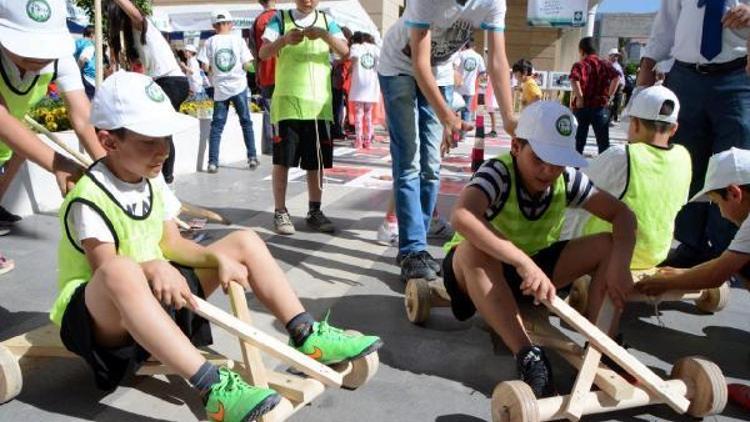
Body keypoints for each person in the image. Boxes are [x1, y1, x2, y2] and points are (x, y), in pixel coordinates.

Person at [53, 71, 383, 422]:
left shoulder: (151, 180)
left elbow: (172, 242)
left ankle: (305, 334)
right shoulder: (88, 198)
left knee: (243, 240)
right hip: (101, 322)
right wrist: (152, 267)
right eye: (149, 140)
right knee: (121, 270)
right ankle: (213, 388)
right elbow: (107, 270)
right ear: (109, 142)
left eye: (164, 137)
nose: (163, 150)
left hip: (155, 295)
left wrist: (214, 258)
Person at [443, 101, 636, 398]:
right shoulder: (498, 172)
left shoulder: (567, 178)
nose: (548, 171)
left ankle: (602, 349)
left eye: (558, 161)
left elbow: (623, 215)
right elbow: (462, 216)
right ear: (517, 146)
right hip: (478, 272)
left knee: (609, 245)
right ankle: (528, 355)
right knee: (472, 249)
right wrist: (522, 261)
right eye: (540, 159)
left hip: (531, 273)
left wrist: (621, 265)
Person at [377, 0, 516, 282]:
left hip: (438, 73)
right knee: (409, 162)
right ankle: (413, 249)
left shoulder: (493, 2)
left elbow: (497, 60)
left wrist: (510, 118)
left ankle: (415, 247)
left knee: (431, 165)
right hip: (398, 66)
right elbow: (418, 62)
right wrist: (448, 116)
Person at [638, 0, 750, 269]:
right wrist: (646, 67)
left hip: (737, 76)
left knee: (736, 164)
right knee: (685, 161)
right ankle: (691, 245)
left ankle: (730, 251)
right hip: (686, 76)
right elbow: (665, 24)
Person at [0, 0, 106, 228]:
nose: (37, 55)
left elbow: (82, 117)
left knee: (21, 148)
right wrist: (59, 163)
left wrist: (110, 170)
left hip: (4, 144)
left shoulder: (61, 60)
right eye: (25, 44)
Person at [565, 85, 691, 270]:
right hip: (655, 254)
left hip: (612, 253)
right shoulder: (683, 156)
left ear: (636, 124)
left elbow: (577, 192)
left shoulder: (623, 155)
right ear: (674, 129)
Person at [259, 0, 349, 235]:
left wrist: (325, 36)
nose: (307, 0)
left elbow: (345, 51)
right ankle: (280, 211)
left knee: (316, 162)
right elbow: (263, 52)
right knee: (283, 161)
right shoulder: (280, 18)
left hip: (319, 105)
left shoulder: (327, 21)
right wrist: (284, 40)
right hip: (288, 103)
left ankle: (315, 211)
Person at [108, 0, 190, 186]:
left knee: (161, 132)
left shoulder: (143, 27)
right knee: (160, 131)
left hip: (171, 81)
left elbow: (136, 14)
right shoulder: (133, 39)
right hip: (164, 82)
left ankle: (165, 179)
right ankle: (163, 177)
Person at [198, 10, 259, 173]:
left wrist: (214, 72)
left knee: (217, 126)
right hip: (238, 85)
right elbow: (247, 64)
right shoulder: (238, 40)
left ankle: (212, 162)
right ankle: (252, 157)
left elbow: (204, 66)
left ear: (213, 26)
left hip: (220, 88)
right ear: (230, 24)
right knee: (246, 123)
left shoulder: (209, 42)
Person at [569, 37, 620, 155]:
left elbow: (574, 80)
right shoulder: (604, 64)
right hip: (600, 106)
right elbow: (616, 77)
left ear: (581, 50)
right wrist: (610, 95)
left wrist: (580, 98)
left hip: (582, 107)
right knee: (603, 142)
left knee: (578, 141)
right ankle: (603, 169)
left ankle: (575, 168)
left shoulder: (579, 65)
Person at [250, 0, 277, 155]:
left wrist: (257, 72)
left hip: (265, 69)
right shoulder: (282, 17)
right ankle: (287, 141)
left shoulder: (257, 22)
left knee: (268, 108)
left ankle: (269, 146)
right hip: (285, 69)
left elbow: (254, 50)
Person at [348, 32, 380, 149]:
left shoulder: (356, 47)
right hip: (371, 84)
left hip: (359, 83)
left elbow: (354, 58)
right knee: (368, 114)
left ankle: (358, 140)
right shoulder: (375, 48)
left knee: (358, 114)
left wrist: (351, 69)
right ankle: (368, 140)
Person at [455, 41, 486, 126]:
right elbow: (483, 72)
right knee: (467, 111)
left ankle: (455, 132)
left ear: (465, 46)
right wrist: (476, 79)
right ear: (474, 47)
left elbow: (455, 67)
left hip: (458, 87)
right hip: (470, 87)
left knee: (455, 110)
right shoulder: (478, 56)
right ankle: (463, 135)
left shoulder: (461, 54)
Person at [74, 25, 97, 99]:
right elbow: (82, 59)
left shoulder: (77, 43)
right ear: (92, 35)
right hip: (89, 76)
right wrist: (78, 71)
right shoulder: (89, 45)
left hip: (83, 76)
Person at [607, 48, 625, 125]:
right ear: (610, 56)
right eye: (615, 55)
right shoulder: (611, 66)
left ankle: (613, 118)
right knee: (613, 102)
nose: (616, 57)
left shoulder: (616, 65)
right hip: (615, 86)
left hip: (619, 86)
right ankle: (611, 119)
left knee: (617, 102)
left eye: (617, 56)